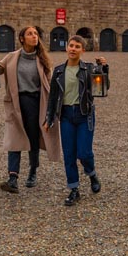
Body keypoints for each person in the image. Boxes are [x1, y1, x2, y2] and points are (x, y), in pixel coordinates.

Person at [0, 26, 61, 193]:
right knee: (14, 137)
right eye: (30, 34)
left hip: (36, 102)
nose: (34, 36)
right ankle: (13, 178)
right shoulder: (12, 57)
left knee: (33, 138)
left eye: (35, 34)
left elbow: (49, 85)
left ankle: (33, 171)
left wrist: (52, 108)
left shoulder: (42, 59)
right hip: (16, 102)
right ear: (22, 38)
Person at [44, 36, 108, 206]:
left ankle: (92, 173)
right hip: (65, 115)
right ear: (67, 48)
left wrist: (103, 68)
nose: (73, 48)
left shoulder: (88, 69)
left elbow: (103, 87)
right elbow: (53, 97)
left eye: (77, 46)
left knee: (84, 152)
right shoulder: (58, 71)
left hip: (84, 114)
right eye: (71, 45)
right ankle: (74, 189)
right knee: (69, 154)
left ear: (82, 50)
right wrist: (49, 118)